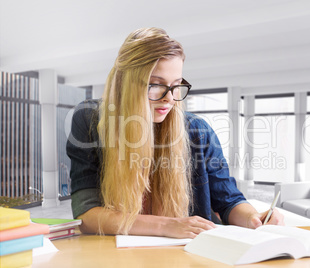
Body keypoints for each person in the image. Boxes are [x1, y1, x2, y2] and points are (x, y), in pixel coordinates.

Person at [66, 27, 283, 239]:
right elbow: (87, 215)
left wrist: (253, 218)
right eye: (156, 85)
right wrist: (166, 225)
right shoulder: (90, 121)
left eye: (176, 85)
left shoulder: (198, 131)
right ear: (125, 84)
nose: (169, 98)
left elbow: (228, 201)